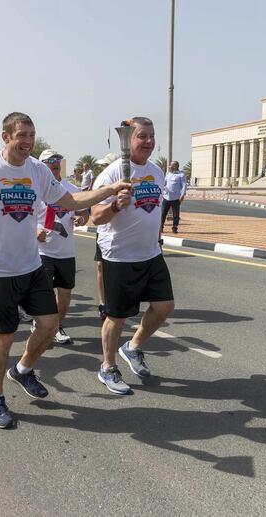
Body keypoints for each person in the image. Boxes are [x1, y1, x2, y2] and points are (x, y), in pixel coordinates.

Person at [0, 111, 131, 429]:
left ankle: (21, 370)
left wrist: (109, 190)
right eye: (22, 136)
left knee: (49, 326)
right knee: (3, 339)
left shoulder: (37, 170)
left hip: (32, 267)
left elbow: (71, 201)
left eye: (32, 135)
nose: (28, 142)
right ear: (6, 137)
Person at [91, 116, 175, 395]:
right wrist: (115, 205)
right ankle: (108, 366)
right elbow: (94, 216)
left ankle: (134, 346)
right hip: (120, 256)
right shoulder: (112, 174)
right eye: (142, 136)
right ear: (130, 139)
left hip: (151, 253)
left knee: (164, 306)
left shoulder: (157, 171)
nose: (149, 142)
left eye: (151, 136)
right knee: (116, 317)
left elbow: (153, 209)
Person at [36, 150, 89, 345]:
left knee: (65, 295)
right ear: (42, 165)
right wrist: (35, 231)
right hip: (43, 250)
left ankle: (57, 325)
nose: (55, 163)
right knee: (45, 293)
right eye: (50, 161)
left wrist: (82, 218)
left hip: (67, 252)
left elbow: (84, 211)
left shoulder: (71, 189)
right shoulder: (35, 189)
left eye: (57, 160)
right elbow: (24, 218)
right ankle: (41, 324)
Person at [159, 160, 187, 235]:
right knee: (163, 213)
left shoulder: (181, 175)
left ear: (175, 166)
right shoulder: (168, 174)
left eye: (171, 165)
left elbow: (184, 185)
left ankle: (174, 227)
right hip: (166, 197)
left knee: (175, 214)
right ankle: (161, 227)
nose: (170, 166)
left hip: (175, 198)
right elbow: (164, 183)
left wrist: (182, 195)